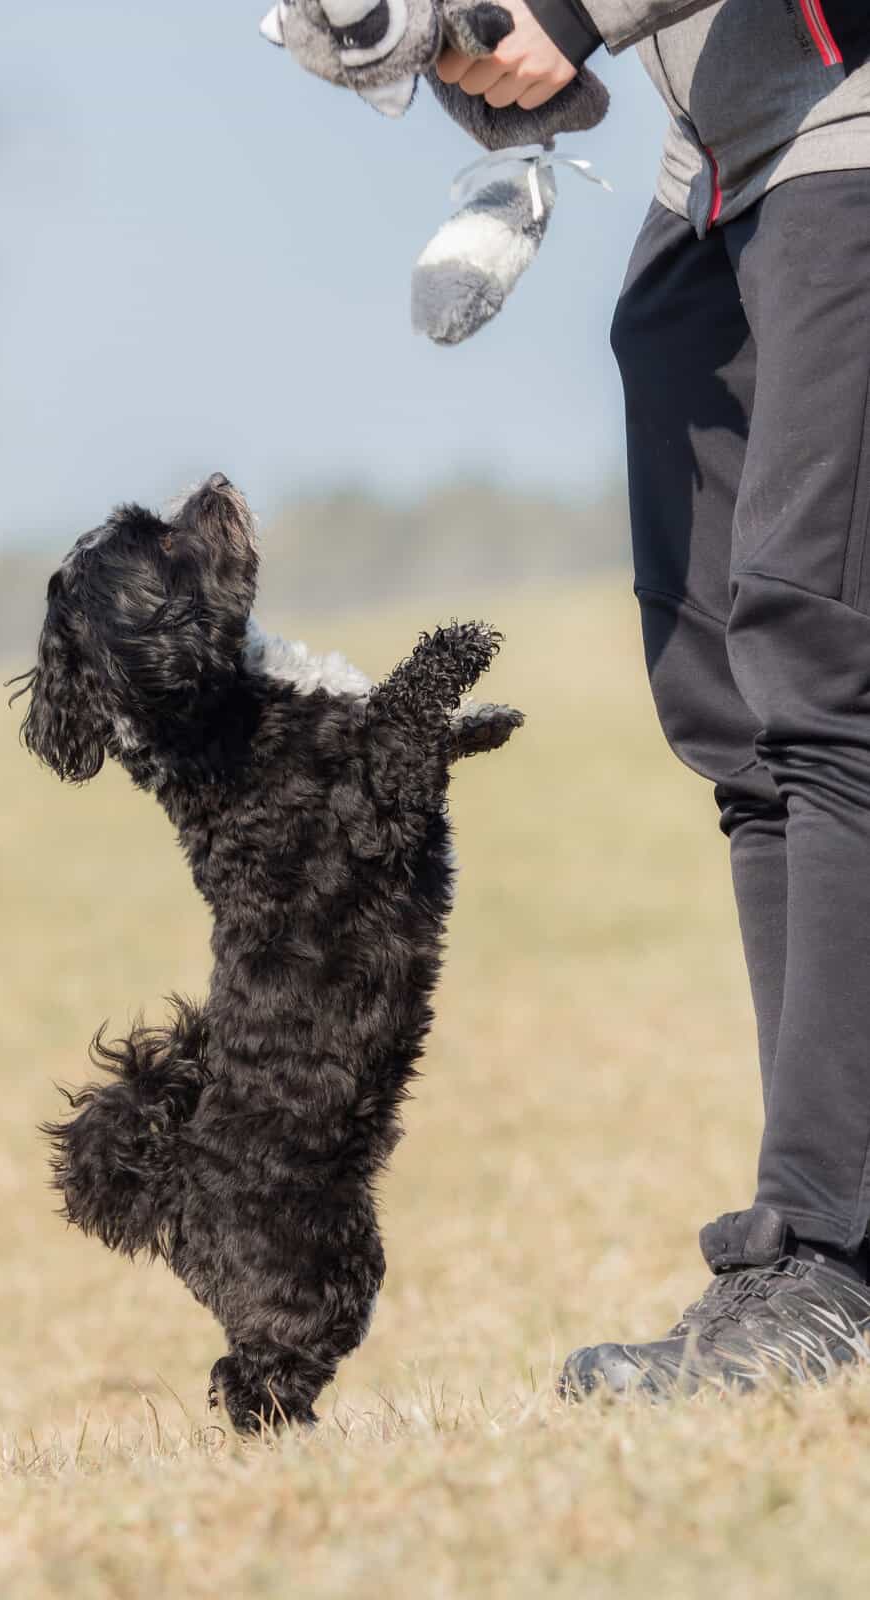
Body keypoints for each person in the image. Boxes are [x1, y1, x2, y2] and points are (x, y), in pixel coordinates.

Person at [439, 0, 870, 1396]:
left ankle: (825, 1252)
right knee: (735, 719)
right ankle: (806, 1262)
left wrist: (567, 14)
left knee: (827, 676)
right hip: (717, 161)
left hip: (847, 126)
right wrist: (439, 43)